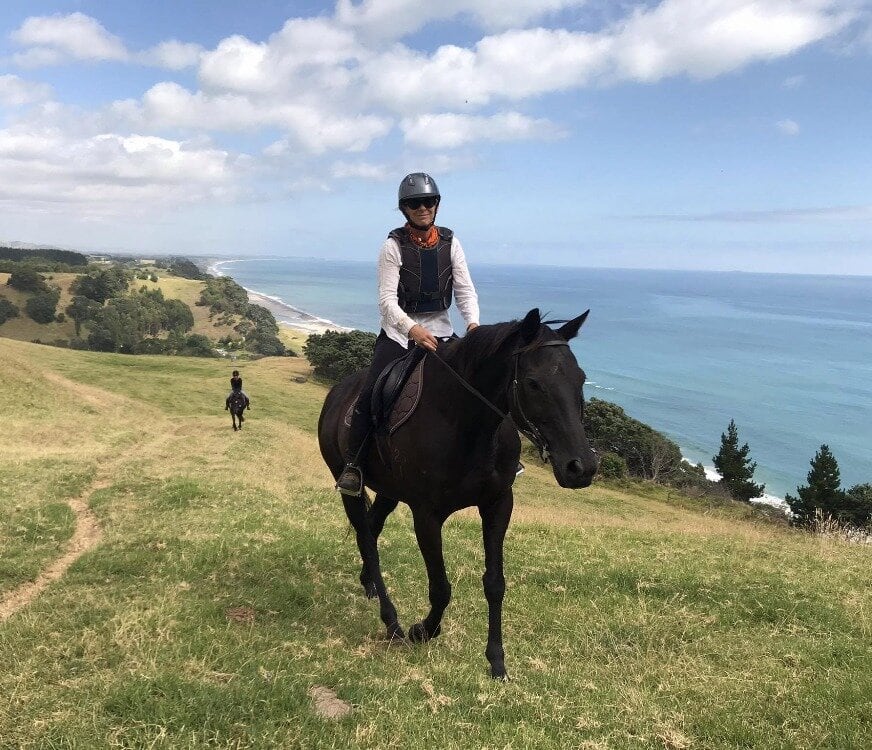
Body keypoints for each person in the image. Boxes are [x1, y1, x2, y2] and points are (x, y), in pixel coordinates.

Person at [336, 172, 481, 496]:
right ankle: (354, 465)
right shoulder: (392, 247)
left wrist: (473, 324)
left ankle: (497, 454)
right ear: (405, 209)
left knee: (481, 381)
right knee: (371, 392)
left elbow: (464, 290)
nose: (422, 208)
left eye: (428, 201)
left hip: (442, 330)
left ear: (437, 204)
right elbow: (387, 301)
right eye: (415, 203)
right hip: (399, 334)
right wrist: (412, 329)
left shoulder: (451, 243)